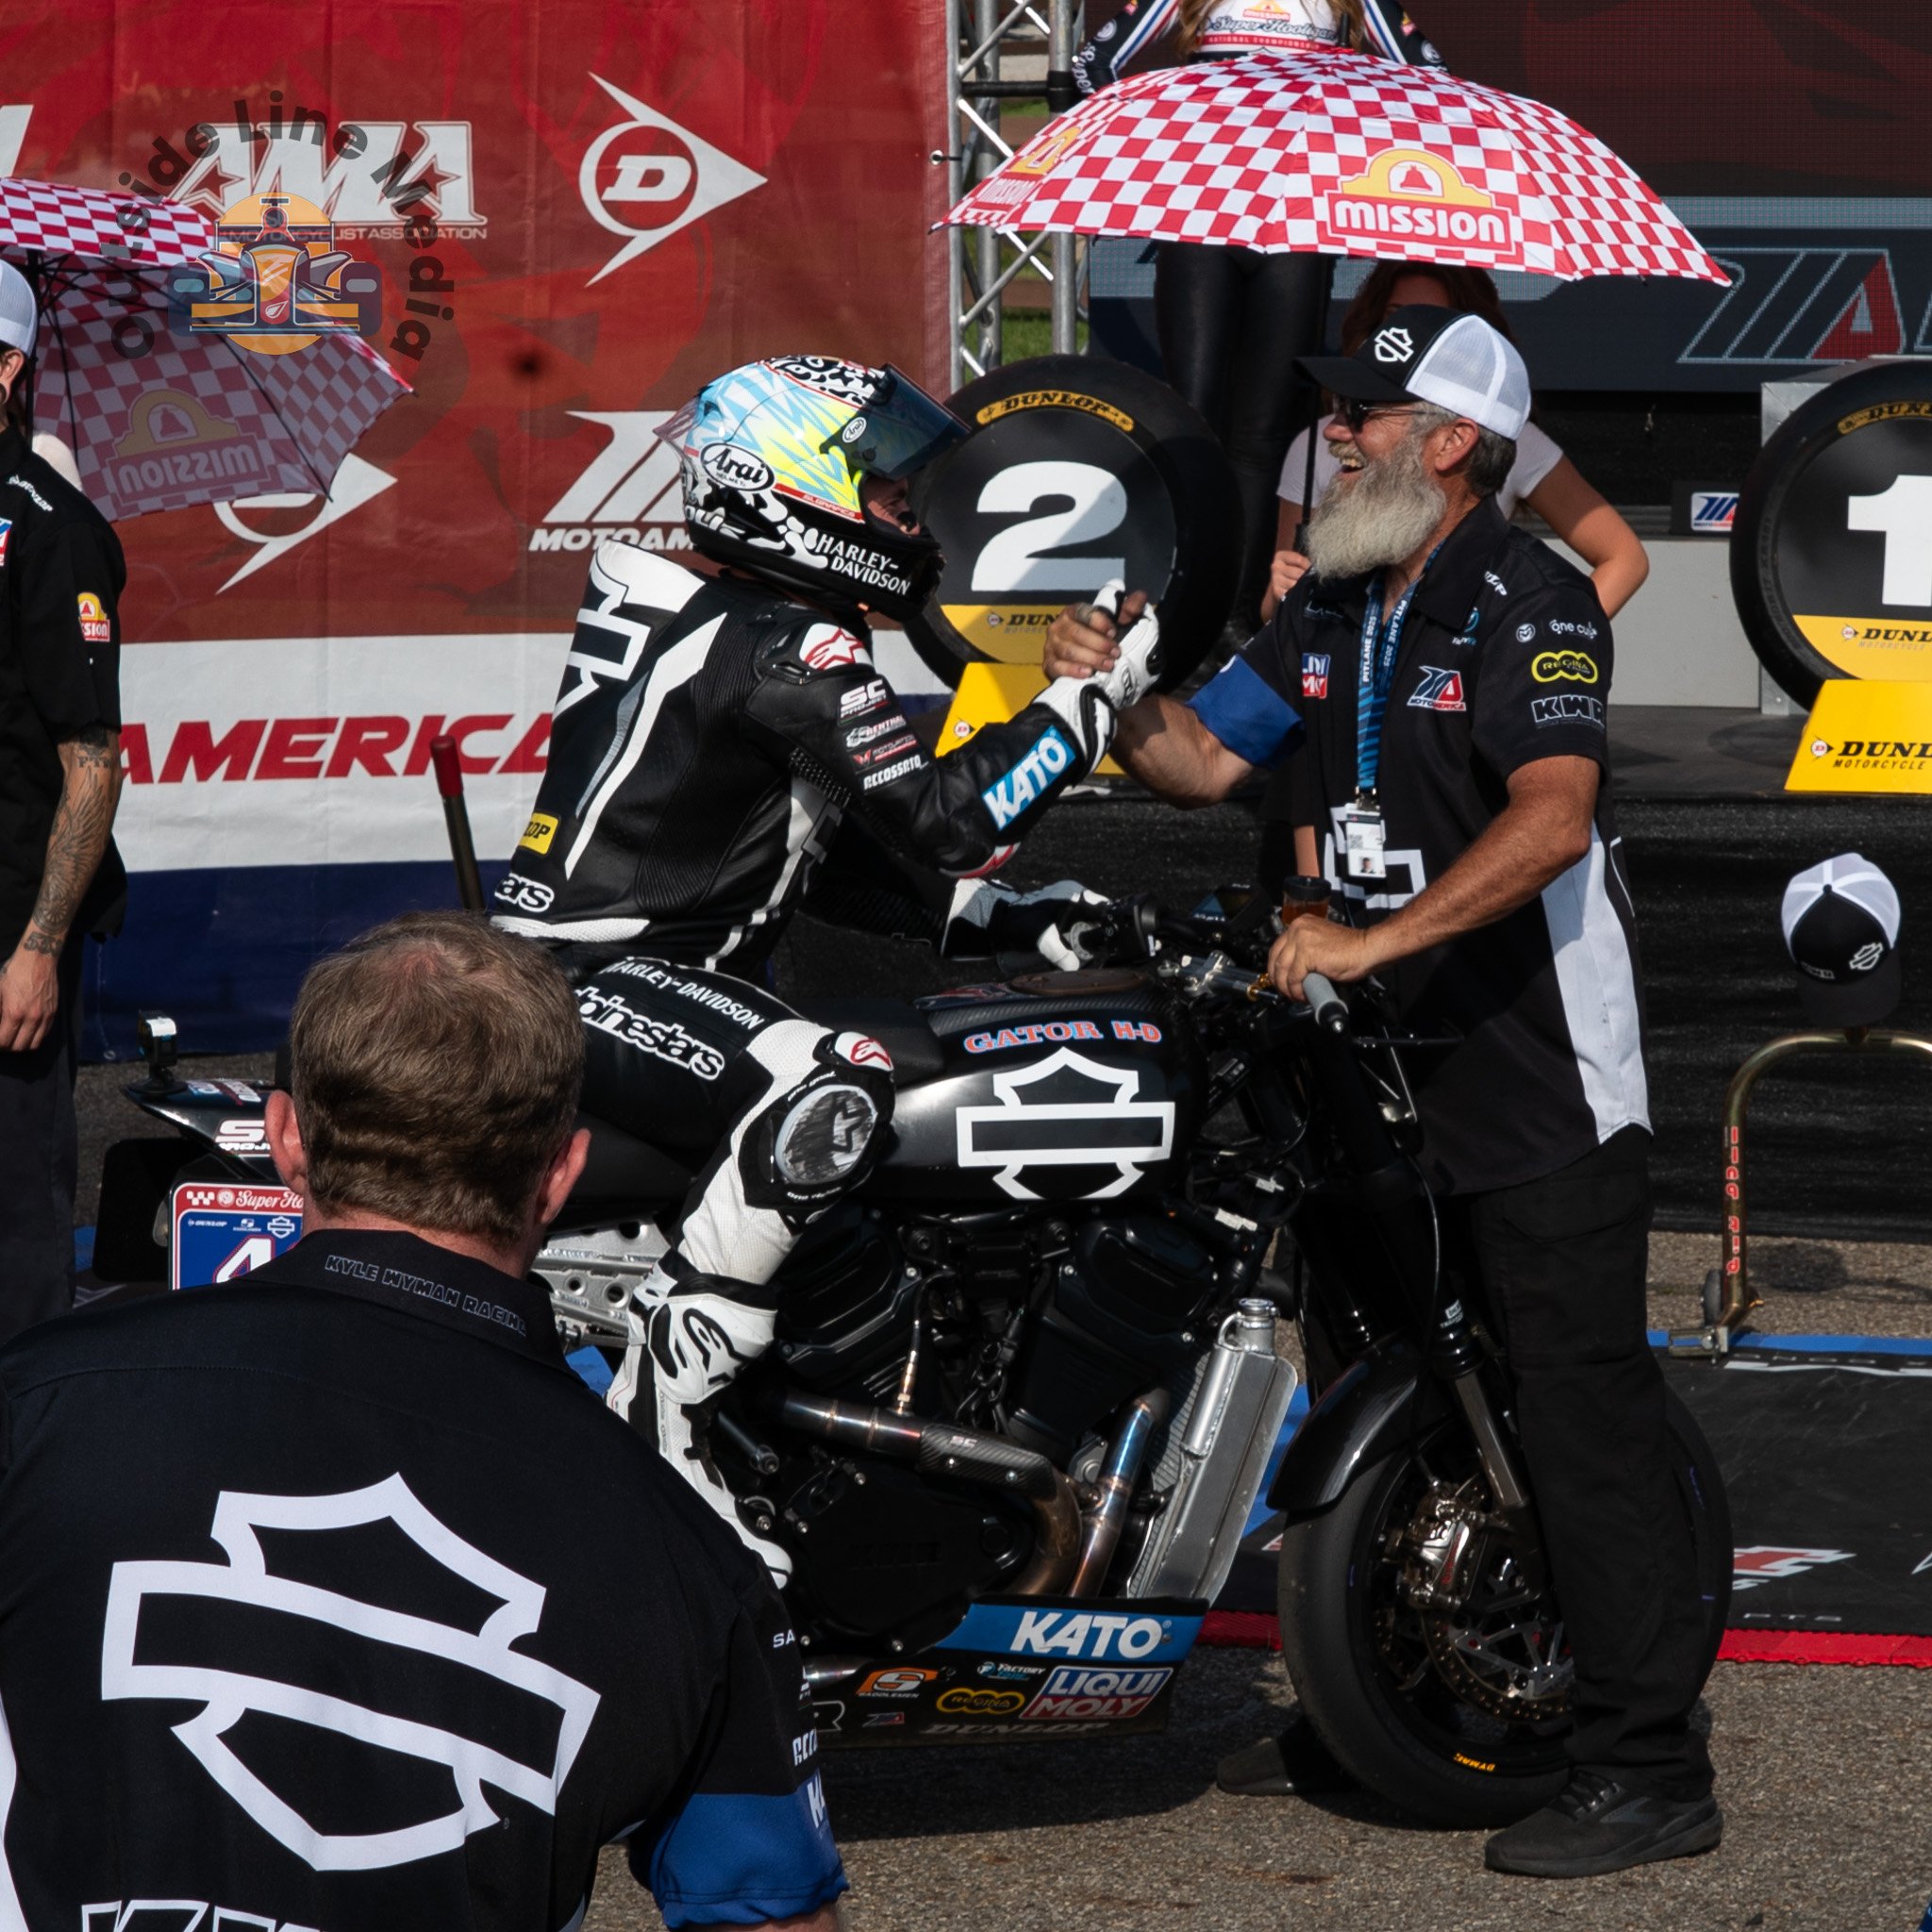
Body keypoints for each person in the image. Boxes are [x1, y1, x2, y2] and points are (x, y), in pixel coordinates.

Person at [1041, 308, 1721, 1879]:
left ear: (1452, 443)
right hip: (1366, 1075)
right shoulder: (1341, 597)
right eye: (1332, 406)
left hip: (1531, 1072)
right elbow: (1209, 763)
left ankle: (1644, 1760)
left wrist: (1369, 939)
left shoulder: (1530, 594)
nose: (1330, 433)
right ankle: (1394, 1699)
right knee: (1379, 1388)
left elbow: (1551, 821)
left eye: (1363, 413)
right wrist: (1109, 691)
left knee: (1573, 1411)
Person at [0, 912, 846, 1931]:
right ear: (562, 1173)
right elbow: (766, 1911)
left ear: (282, 1138)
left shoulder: (37, 1403)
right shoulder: (687, 1555)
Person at [491, 353, 1160, 1578]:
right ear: (790, 484)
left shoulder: (727, 616)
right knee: (833, 1080)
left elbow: (815, 847)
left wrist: (1020, 924)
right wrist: (1089, 704)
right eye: (889, 490)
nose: (911, 515)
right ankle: (672, 1408)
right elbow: (954, 823)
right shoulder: (792, 644)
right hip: (600, 984)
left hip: (581, 978)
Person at [1257, 260, 1649, 893]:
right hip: (1333, 716)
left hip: (1445, 749)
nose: (1342, 432)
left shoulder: (1513, 447)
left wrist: (1519, 655)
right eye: (1393, 317)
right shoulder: (1320, 442)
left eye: (1439, 322)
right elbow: (1269, 633)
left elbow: (1623, 556)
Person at [1074, 0, 1443, 636]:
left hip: (1295, 218)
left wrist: (1355, 144)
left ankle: (1236, 618)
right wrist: (1157, 148)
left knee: (1262, 434)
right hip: (1198, 208)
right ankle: (1177, 605)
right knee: (1190, 418)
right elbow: (1094, 65)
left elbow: (1430, 73)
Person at [0, 257, 126, 1341]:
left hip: (7, 923)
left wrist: (39, 944)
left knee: (13, 1208)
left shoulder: (52, 526)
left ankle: (24, 1416)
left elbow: (93, 756)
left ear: (6, 368)